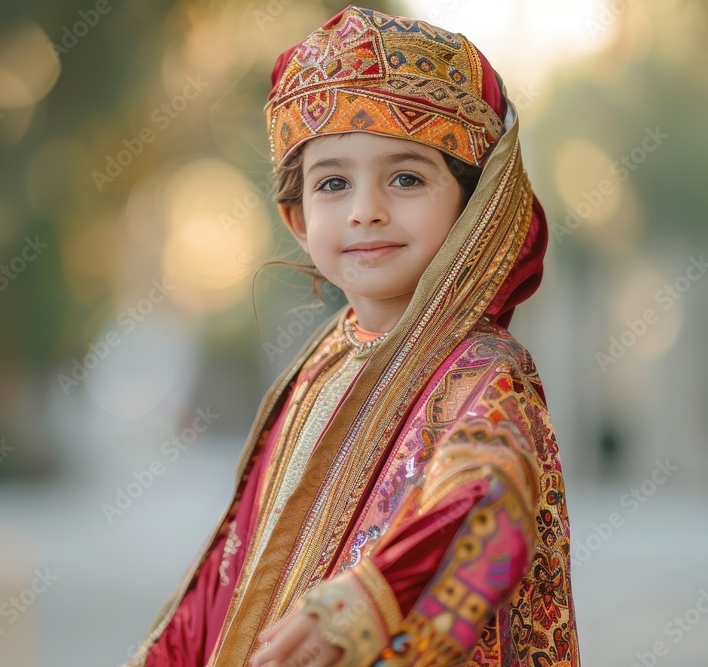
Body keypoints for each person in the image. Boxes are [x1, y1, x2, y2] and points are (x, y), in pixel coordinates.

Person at [126, 5, 579, 666]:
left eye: (406, 178)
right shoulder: (318, 367)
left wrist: (370, 602)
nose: (367, 208)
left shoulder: (482, 370)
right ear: (298, 219)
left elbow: (489, 496)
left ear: (474, 205)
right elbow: (236, 561)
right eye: (334, 182)